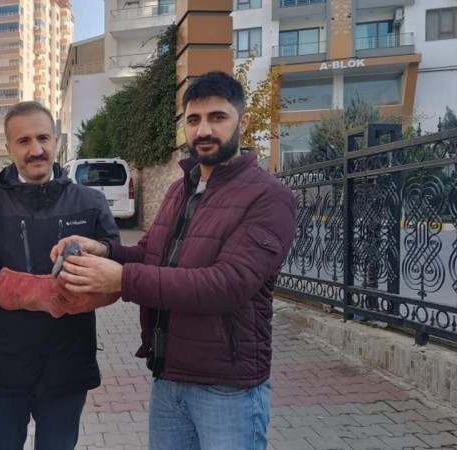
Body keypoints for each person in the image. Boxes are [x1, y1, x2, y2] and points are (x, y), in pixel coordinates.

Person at [51, 71, 297, 449]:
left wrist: (122, 279)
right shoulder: (180, 190)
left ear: (243, 122)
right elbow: (152, 256)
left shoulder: (269, 197)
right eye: (193, 119)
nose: (204, 130)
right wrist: (105, 250)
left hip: (227, 388)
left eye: (218, 117)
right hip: (169, 377)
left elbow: (228, 285)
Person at [0, 101, 120, 449]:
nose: (36, 150)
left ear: (57, 141)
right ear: (9, 148)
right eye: (24, 141)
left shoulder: (91, 202)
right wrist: (38, 292)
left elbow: (115, 269)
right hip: (4, 364)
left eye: (43, 138)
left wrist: (89, 285)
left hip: (68, 363)